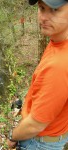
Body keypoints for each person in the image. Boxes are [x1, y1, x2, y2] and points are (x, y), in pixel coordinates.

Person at [7, 0, 68, 150]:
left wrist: (12, 136)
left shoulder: (58, 65)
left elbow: (35, 125)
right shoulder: (58, 40)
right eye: (41, 8)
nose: (44, 17)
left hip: (39, 143)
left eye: (54, 10)